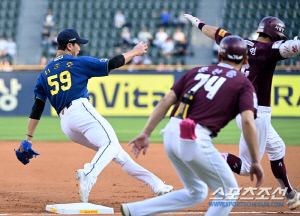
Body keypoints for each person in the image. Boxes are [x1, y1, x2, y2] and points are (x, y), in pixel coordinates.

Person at [16, 29, 173, 203]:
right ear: (69, 46)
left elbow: (37, 106)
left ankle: (158, 186)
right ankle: (89, 174)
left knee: (117, 153)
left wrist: (28, 139)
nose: (79, 49)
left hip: (66, 124)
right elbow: (112, 63)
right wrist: (135, 52)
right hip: (80, 110)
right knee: (111, 144)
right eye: (78, 45)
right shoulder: (78, 63)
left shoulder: (44, 73)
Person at [121, 36, 264, 216]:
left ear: (219, 57)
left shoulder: (197, 71)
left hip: (171, 133)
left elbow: (166, 101)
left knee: (196, 192)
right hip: (195, 138)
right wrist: (256, 161)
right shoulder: (243, 83)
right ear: (245, 60)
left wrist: (146, 133)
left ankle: (135, 210)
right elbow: (248, 121)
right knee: (229, 192)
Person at [184, 14, 300, 210]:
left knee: (278, 148)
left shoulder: (237, 42)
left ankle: (290, 195)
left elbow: (214, 33)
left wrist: (197, 21)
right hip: (257, 113)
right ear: (275, 34)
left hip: (244, 110)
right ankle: (204, 157)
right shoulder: (269, 50)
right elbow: (291, 48)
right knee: (246, 168)